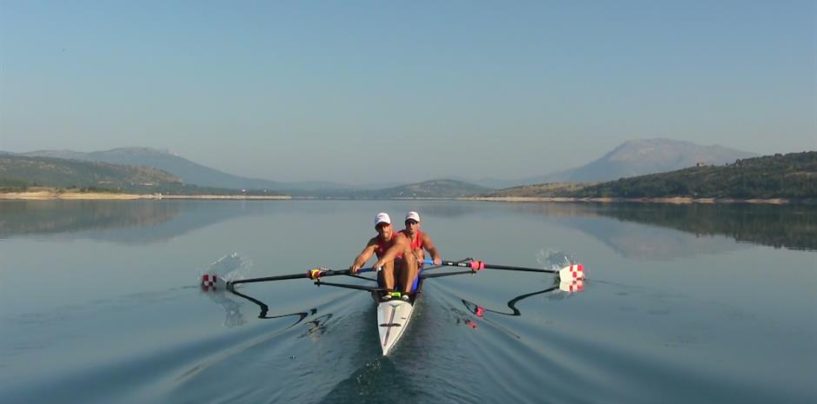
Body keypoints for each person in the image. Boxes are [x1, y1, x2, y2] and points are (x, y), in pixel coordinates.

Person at [350, 212, 418, 301]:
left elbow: (395, 249)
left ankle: (406, 294)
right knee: (387, 261)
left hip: (403, 277)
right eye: (380, 226)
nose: (383, 229)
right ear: (376, 229)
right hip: (386, 278)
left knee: (409, 257)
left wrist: (381, 261)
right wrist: (357, 265)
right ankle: (389, 294)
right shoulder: (374, 242)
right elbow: (363, 256)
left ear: (390, 226)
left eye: (385, 225)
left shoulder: (400, 238)